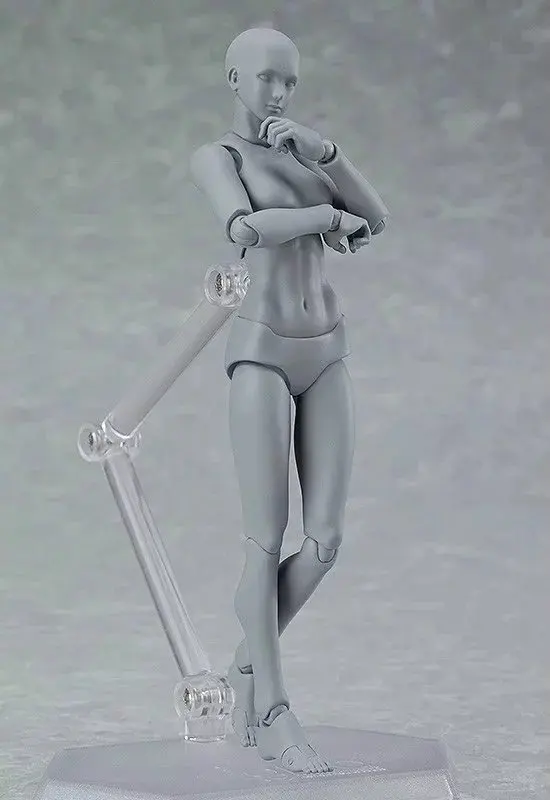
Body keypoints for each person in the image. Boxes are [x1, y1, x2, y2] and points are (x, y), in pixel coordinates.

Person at [191, 27, 388, 773]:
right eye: (266, 78)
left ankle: (247, 663)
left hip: (325, 346)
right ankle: (273, 712)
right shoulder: (219, 156)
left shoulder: (302, 151)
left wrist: (326, 153)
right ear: (234, 79)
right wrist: (325, 217)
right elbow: (244, 228)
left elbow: (378, 218)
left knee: (325, 541)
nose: (278, 93)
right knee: (265, 540)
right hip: (262, 350)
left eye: (290, 81)